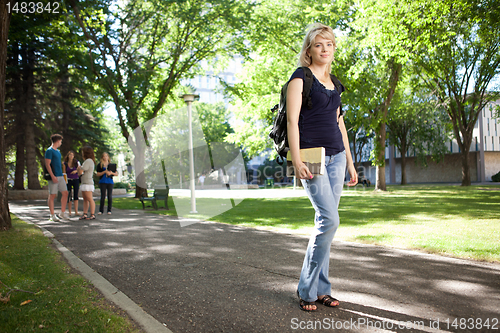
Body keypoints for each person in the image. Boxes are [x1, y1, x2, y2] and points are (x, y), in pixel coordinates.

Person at [287, 23, 358, 311]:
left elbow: (340, 125)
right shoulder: (299, 79)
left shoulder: (335, 84)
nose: (324, 49)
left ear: (334, 49)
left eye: (329, 44)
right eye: (319, 44)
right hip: (312, 155)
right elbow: (292, 122)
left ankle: (322, 289)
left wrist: (351, 163)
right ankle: (306, 288)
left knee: (326, 225)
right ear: (309, 49)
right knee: (329, 219)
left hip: (337, 157)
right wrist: (298, 160)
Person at [45, 134, 69, 221]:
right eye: (60, 141)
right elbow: (47, 164)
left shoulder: (58, 152)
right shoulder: (49, 151)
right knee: (52, 195)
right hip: (53, 176)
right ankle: (52, 215)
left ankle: (62, 212)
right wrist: (52, 176)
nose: (61, 143)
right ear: (58, 141)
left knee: (65, 193)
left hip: (60, 175)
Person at [77, 146, 96, 220]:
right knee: (85, 199)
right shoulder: (87, 161)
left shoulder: (88, 161)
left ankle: (92, 214)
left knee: (89, 198)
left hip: (88, 182)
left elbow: (82, 170)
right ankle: (85, 213)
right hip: (84, 182)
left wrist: (79, 168)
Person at [63, 150, 80, 216]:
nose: (71, 156)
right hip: (68, 180)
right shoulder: (65, 163)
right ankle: (69, 211)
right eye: (70, 155)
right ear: (68, 156)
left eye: (72, 155)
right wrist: (65, 181)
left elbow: (80, 169)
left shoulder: (76, 162)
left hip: (75, 179)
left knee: (76, 195)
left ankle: (76, 211)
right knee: (69, 195)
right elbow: (64, 173)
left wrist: (76, 171)